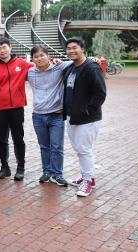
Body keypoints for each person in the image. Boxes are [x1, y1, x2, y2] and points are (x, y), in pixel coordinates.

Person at [63, 37, 106, 197]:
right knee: (79, 149)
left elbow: (100, 93)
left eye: (75, 48)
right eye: (68, 48)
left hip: (87, 118)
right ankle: (86, 176)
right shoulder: (71, 68)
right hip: (71, 116)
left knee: (84, 149)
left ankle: (88, 181)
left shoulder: (91, 68)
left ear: (83, 49)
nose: (71, 51)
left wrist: (88, 110)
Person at [0, 37, 33, 181]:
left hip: (16, 108)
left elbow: (40, 62)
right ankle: (4, 167)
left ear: (10, 47)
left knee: (18, 139)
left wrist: (54, 60)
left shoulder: (21, 63)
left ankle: (20, 168)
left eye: (4, 47)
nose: (2, 50)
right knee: (2, 140)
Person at [28, 45, 72, 187]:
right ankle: (47, 172)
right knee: (44, 146)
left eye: (42, 55)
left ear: (48, 56)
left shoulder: (59, 67)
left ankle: (57, 174)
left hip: (56, 115)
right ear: (32, 59)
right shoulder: (30, 72)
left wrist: (94, 59)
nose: (39, 58)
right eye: (36, 56)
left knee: (57, 146)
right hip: (38, 116)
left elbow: (78, 61)